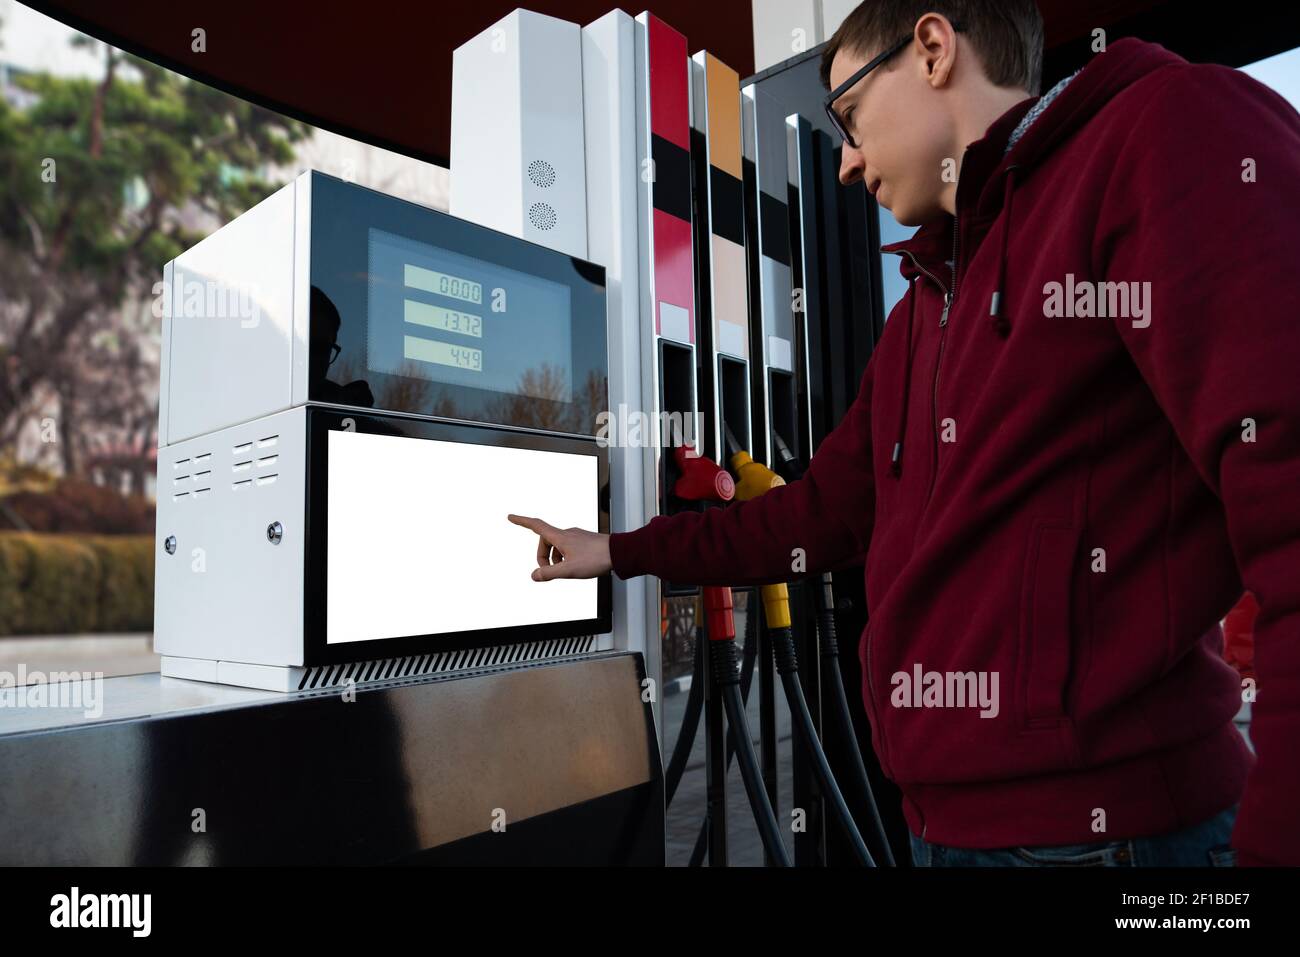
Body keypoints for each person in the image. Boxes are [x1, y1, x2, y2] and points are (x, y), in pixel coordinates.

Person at [509, 0, 1300, 867]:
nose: (846, 162)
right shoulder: (923, 303)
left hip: (1113, 840)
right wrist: (617, 552)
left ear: (930, 49)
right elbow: (812, 518)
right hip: (939, 829)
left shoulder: (1168, 133)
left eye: (848, 116)